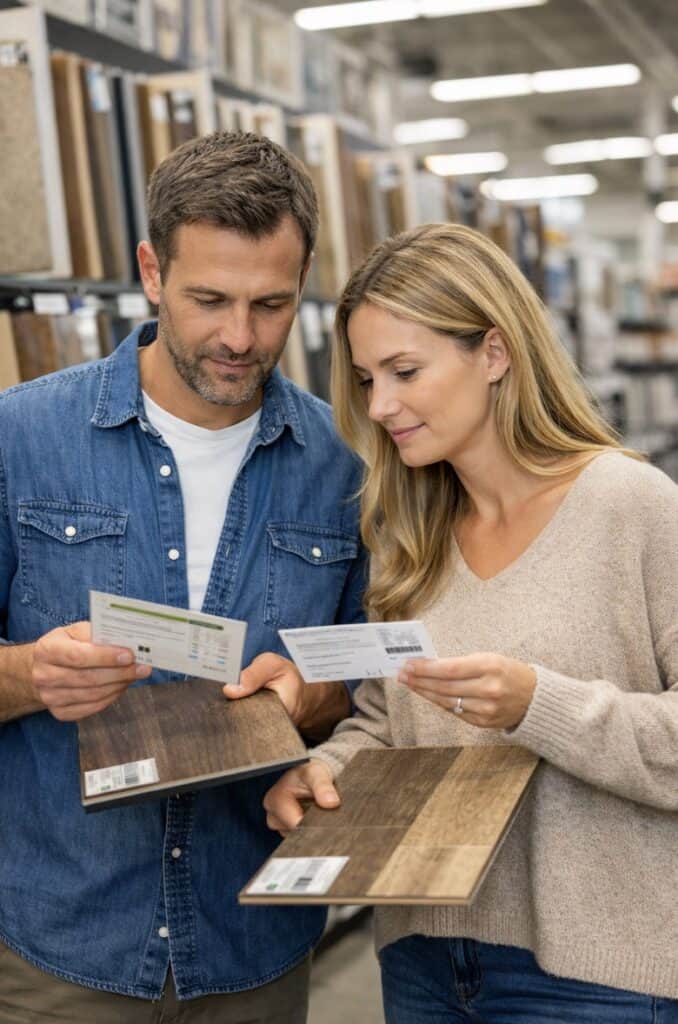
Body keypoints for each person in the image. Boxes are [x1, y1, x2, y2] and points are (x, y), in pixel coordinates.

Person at [264, 223, 678, 1023]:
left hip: (596, 977)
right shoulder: (408, 535)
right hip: (424, 962)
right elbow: (386, 726)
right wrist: (325, 776)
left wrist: (539, 706)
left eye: (405, 371)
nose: (380, 406)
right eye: (365, 379)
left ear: (493, 352)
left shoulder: (632, 508)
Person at [0, 131, 367, 1023]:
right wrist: (27, 675)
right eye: (208, 299)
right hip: (63, 945)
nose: (239, 338)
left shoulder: (345, 461)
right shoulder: (21, 438)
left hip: (255, 940)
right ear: (151, 271)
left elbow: (368, 674)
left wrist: (312, 695)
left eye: (271, 304)